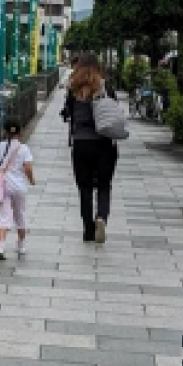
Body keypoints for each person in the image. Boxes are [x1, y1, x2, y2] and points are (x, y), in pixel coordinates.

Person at [62, 51, 118, 245]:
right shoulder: (105, 86)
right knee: (104, 184)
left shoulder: (73, 87)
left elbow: (67, 112)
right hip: (104, 142)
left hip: (81, 143)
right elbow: (114, 109)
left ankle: (88, 229)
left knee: (84, 187)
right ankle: (101, 216)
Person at [0, 117, 35, 260]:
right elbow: (28, 168)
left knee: (4, 215)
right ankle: (21, 244)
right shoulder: (24, 148)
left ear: (4, 131)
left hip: (3, 186)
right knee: (20, 214)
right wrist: (31, 180)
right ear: (20, 132)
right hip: (19, 187)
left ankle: (0, 246)